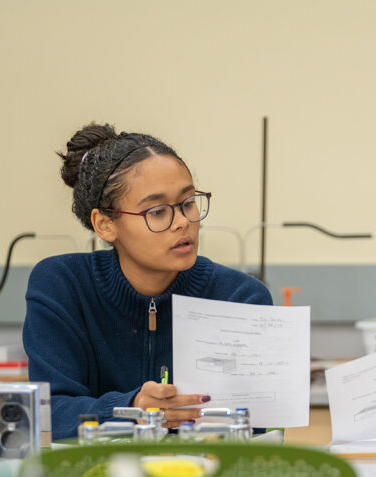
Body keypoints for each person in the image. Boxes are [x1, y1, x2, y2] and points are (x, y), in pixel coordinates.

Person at [23, 123, 272, 440]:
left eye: (187, 203)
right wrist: (132, 408)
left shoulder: (240, 297)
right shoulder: (62, 286)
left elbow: (255, 424)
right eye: (157, 211)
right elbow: (51, 412)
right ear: (105, 224)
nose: (183, 222)